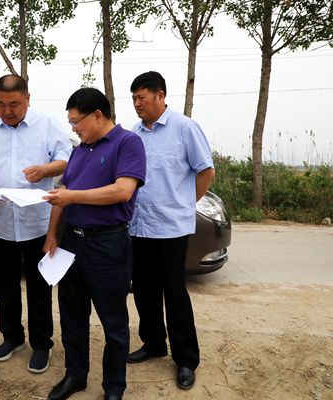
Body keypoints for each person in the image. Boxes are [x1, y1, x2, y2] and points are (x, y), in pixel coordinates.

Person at [43, 87, 146, 400]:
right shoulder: (79, 150)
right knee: (72, 316)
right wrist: (51, 235)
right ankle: (75, 376)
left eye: (76, 121)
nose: (74, 128)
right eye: (71, 123)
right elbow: (62, 193)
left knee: (113, 321)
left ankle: (114, 387)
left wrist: (72, 196)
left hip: (107, 243)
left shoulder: (128, 143)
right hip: (71, 242)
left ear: (98, 115)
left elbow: (122, 191)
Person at [0, 74, 71, 374]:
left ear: (27, 99)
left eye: (14, 104)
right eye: (0, 104)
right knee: (5, 285)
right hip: (0, 222)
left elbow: (66, 159)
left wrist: (45, 170)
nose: (7, 111)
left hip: (36, 223)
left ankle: (41, 344)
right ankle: (12, 337)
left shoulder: (47, 123)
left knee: (39, 288)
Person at [126, 71, 215, 390]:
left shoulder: (184, 128)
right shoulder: (133, 133)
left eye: (142, 98)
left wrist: (184, 204)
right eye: (134, 99)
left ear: (160, 96)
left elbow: (206, 171)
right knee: (144, 290)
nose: (137, 104)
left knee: (175, 293)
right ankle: (153, 344)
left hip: (171, 229)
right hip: (139, 226)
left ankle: (186, 359)